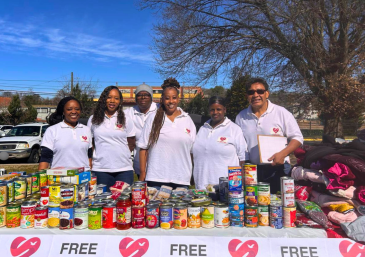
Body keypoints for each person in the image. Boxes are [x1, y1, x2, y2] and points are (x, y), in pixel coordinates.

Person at [235, 78, 303, 193]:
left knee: (279, 205)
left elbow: (298, 138)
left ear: (267, 93)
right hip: (252, 170)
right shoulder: (241, 117)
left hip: (279, 169)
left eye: (260, 91)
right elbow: (239, 145)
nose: (255, 95)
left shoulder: (281, 113)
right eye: (251, 92)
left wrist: (283, 154)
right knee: (254, 205)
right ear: (247, 96)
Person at [137, 78, 196, 189]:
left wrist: (193, 173)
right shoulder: (153, 118)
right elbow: (143, 147)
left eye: (174, 98)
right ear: (162, 99)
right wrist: (143, 173)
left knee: (181, 207)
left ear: (178, 99)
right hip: (156, 179)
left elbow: (192, 151)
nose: (171, 101)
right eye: (167, 98)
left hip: (181, 179)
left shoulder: (187, 119)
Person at [193, 96, 248, 189]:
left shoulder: (234, 129)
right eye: (212, 109)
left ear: (224, 110)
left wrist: (240, 183)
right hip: (201, 185)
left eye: (219, 109)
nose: (215, 112)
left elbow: (242, 158)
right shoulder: (203, 128)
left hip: (226, 187)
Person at [87, 86, 136, 189]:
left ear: (120, 101)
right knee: (101, 202)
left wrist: (119, 155)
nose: (112, 101)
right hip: (101, 170)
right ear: (104, 99)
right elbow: (90, 144)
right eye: (109, 97)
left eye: (116, 98)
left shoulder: (126, 119)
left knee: (123, 203)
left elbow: (131, 142)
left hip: (123, 170)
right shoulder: (93, 119)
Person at [39, 96, 92, 170]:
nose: (74, 112)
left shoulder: (86, 130)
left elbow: (89, 156)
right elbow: (45, 158)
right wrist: (40, 177)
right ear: (63, 112)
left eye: (77, 109)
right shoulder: (52, 130)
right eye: (69, 109)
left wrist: (90, 173)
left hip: (83, 178)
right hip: (59, 178)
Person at [124, 83, 159, 179]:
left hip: (158, 162)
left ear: (151, 97)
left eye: (146, 94)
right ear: (135, 98)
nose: (143, 97)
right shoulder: (128, 113)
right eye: (139, 95)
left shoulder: (159, 109)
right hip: (139, 160)